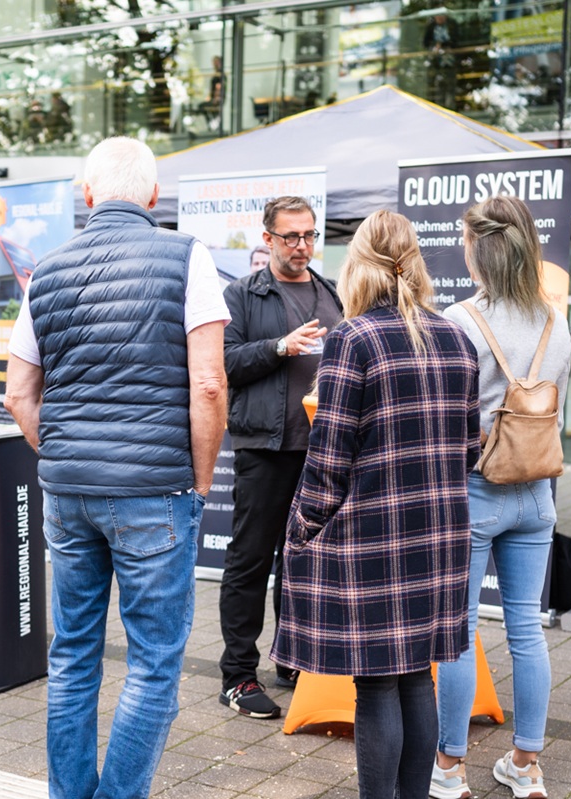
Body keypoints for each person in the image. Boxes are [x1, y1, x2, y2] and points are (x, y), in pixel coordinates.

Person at [4, 136, 229, 799]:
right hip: (155, 491)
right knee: (154, 663)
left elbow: (17, 395)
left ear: (88, 195)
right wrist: (201, 481)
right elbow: (209, 384)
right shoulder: (186, 257)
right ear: (154, 196)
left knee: (72, 654)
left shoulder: (46, 270)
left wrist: (65, 454)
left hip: (67, 493)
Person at [272, 209, 480, 799]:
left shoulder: (353, 338)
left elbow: (329, 455)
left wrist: (304, 526)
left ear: (359, 264)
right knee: (417, 678)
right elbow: (470, 448)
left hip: (374, 535)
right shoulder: (457, 338)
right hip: (438, 534)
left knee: (378, 686)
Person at [434, 196, 571, 799]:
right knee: (527, 631)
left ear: (478, 252)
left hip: (474, 492)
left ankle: (449, 769)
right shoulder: (556, 322)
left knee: (459, 632)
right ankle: (526, 765)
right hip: (537, 493)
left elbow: (446, 419)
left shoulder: (458, 321)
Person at [218, 196, 342, 719]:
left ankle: (293, 660)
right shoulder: (243, 295)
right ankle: (238, 677)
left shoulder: (330, 292)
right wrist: (279, 347)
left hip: (321, 450)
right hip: (265, 449)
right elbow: (223, 362)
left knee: (304, 563)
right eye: (291, 236)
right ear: (267, 239)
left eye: (309, 235)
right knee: (250, 561)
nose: (302, 246)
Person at [423, 11, 460, 109]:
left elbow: (456, 41)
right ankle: (438, 109)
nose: (440, 18)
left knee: (450, 86)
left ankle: (451, 109)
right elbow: (426, 42)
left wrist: (443, 45)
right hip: (436, 62)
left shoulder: (451, 26)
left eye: (442, 15)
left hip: (449, 61)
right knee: (437, 87)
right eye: (438, 16)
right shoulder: (431, 27)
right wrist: (435, 46)